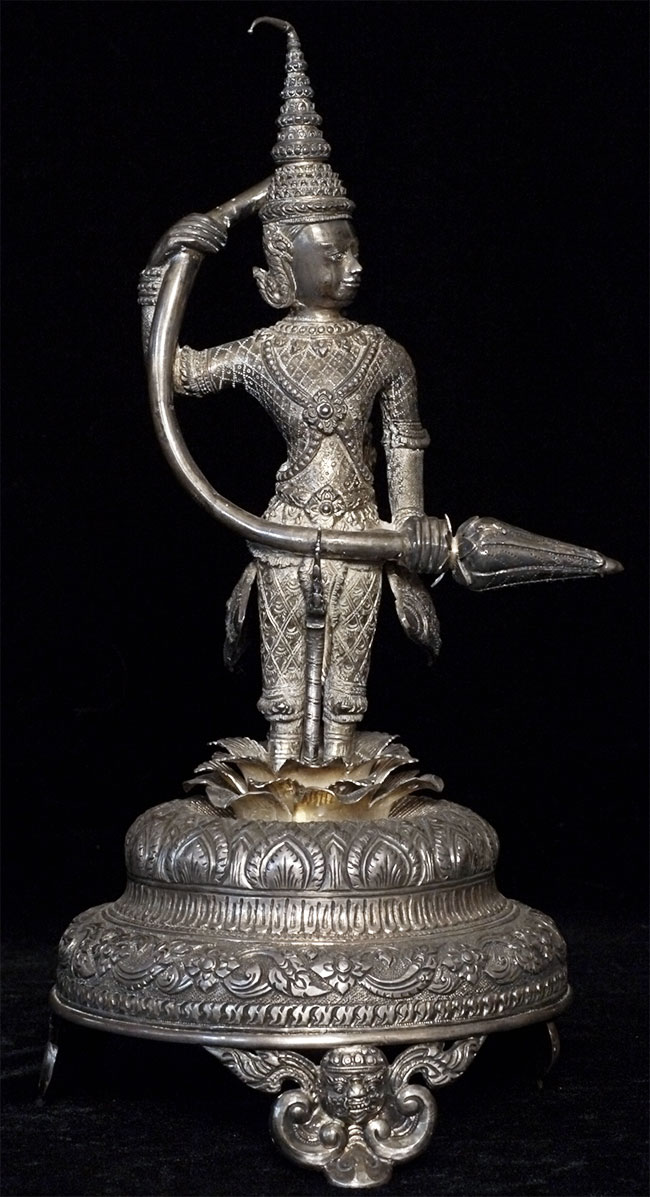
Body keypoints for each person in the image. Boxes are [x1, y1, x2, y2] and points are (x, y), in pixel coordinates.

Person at [138, 21, 435, 767]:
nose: (351, 266)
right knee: (283, 687)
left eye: (353, 249)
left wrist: (411, 530)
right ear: (278, 273)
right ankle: (281, 770)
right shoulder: (266, 350)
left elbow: (403, 446)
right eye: (331, 254)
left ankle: (338, 769)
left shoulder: (384, 353)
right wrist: (161, 278)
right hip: (283, 527)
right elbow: (178, 376)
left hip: (362, 535)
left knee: (345, 688)